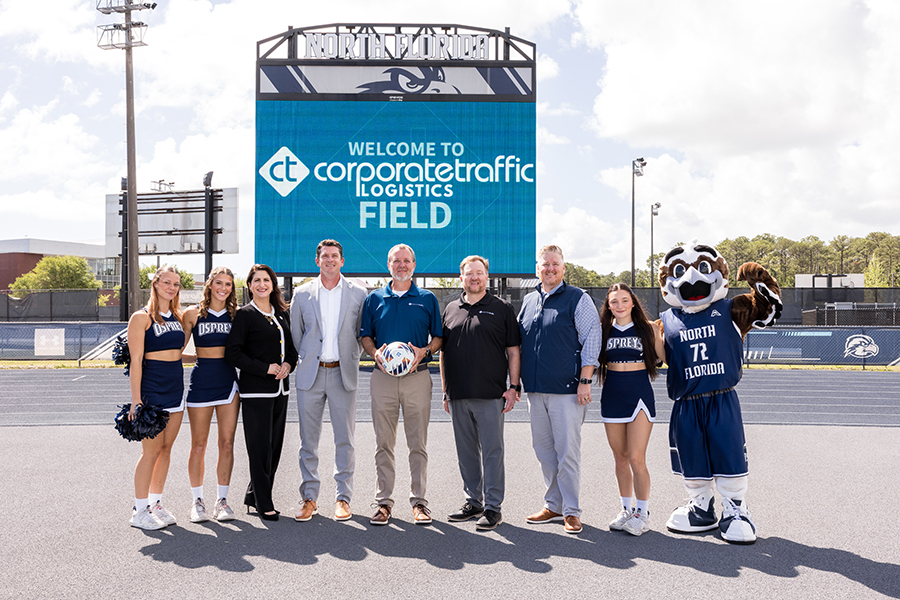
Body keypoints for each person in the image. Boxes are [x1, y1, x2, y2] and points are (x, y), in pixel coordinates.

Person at [518, 244, 600, 534]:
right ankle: (553, 504)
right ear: (537, 269)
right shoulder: (528, 300)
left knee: (567, 453)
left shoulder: (578, 298)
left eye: (555, 264)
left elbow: (592, 337)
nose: (550, 269)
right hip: (536, 390)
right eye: (545, 264)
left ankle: (572, 510)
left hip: (567, 391)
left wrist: (585, 380)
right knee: (543, 451)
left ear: (563, 268)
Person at [360, 243, 443, 526]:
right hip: (382, 378)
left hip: (417, 377)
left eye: (407, 261)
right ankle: (384, 502)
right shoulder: (374, 299)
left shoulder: (428, 298)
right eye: (396, 261)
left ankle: (419, 502)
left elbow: (438, 338)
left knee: (417, 443)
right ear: (388, 265)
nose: (402, 265)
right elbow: (365, 337)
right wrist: (375, 354)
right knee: (384, 443)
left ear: (414, 265)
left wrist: (424, 352)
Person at [440, 255, 521, 531]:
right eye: (469, 273)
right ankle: (473, 501)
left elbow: (513, 351)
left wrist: (513, 387)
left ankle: (493, 508)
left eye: (479, 273)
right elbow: (443, 354)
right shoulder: (451, 308)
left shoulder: (502, 309)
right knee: (466, 452)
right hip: (458, 394)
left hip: (490, 394)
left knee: (492, 452)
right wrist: (445, 390)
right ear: (460, 278)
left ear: (487, 276)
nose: (474, 278)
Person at [290, 240, 367, 523]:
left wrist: (348, 356)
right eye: (325, 256)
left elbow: (361, 334)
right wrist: (311, 356)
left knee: (344, 440)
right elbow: (297, 334)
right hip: (311, 373)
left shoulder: (359, 293)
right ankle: (309, 497)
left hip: (342, 373)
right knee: (308, 442)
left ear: (342, 261)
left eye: (335, 256)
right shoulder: (301, 294)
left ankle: (343, 498)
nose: (330, 260)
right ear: (317, 260)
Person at [225, 264, 298, 522]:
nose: (262, 284)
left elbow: (291, 350)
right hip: (256, 392)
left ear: (273, 284)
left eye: (266, 280)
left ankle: (254, 495)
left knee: (274, 447)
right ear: (249, 285)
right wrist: (264, 368)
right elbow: (233, 353)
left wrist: (289, 364)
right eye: (256, 280)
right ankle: (264, 502)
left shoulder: (281, 314)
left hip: (281, 391)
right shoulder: (245, 315)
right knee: (259, 448)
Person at [598, 283, 664, 536]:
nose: (620, 306)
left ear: (633, 303)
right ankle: (626, 509)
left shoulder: (647, 328)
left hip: (639, 395)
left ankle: (642, 513)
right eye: (614, 302)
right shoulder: (603, 330)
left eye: (624, 300)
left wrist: (662, 334)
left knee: (637, 458)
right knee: (620, 458)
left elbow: (664, 357)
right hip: (613, 395)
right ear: (609, 306)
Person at [126, 265, 187, 530]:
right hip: (152, 391)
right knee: (150, 451)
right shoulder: (141, 318)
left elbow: (177, 354)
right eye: (167, 282)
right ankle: (139, 510)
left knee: (166, 449)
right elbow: (136, 361)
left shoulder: (177, 316)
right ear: (155, 283)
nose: (171, 287)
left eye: (176, 284)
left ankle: (155, 503)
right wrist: (136, 400)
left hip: (176, 388)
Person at [181, 266, 240, 523]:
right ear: (209, 284)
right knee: (199, 444)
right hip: (201, 382)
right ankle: (197, 501)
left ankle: (222, 500)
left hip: (228, 383)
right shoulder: (192, 314)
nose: (223, 288)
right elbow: (177, 350)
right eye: (219, 282)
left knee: (227, 444)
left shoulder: (237, 315)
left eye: (228, 284)